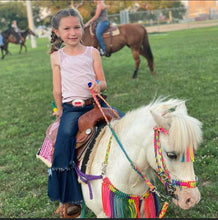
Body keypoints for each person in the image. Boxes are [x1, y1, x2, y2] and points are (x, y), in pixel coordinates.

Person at [48, 8, 124, 218]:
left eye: (76, 27)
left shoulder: (92, 52)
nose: (72, 32)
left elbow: (103, 81)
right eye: (67, 29)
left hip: (94, 103)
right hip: (72, 108)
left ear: (82, 28)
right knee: (64, 142)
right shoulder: (57, 57)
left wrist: (98, 86)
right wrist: (60, 110)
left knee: (124, 121)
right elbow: (57, 89)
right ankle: (71, 199)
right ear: (57, 31)